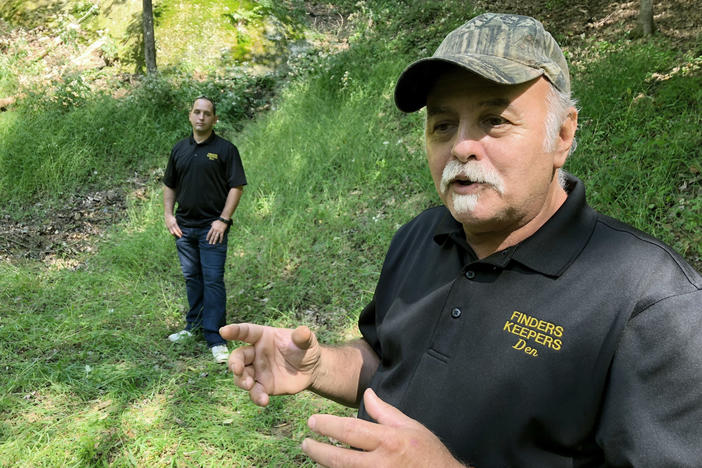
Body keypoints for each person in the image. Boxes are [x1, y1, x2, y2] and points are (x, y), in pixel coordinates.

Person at [220, 13, 702, 466]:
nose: (462, 146)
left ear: (562, 135)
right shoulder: (421, 236)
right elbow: (389, 364)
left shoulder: (651, 305)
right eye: (443, 125)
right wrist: (319, 366)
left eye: (495, 120)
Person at [163, 96, 247, 363]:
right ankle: (193, 326)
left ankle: (215, 336)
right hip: (184, 228)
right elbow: (169, 185)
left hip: (213, 229)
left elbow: (236, 186)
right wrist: (168, 215)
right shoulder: (179, 149)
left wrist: (223, 220)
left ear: (214, 119)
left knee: (212, 280)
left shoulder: (225, 150)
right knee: (192, 279)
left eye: (207, 113)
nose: (201, 117)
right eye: (197, 112)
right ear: (190, 116)